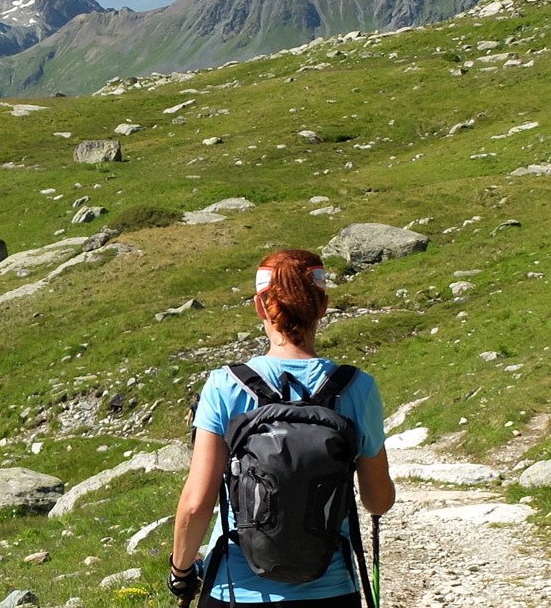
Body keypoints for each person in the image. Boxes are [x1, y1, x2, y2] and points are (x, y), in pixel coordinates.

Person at [169, 248, 397, 607]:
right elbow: (378, 500)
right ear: (323, 306)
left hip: (235, 590)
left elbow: (196, 504)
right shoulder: (357, 388)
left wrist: (180, 573)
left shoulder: (226, 386)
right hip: (331, 590)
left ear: (261, 307)